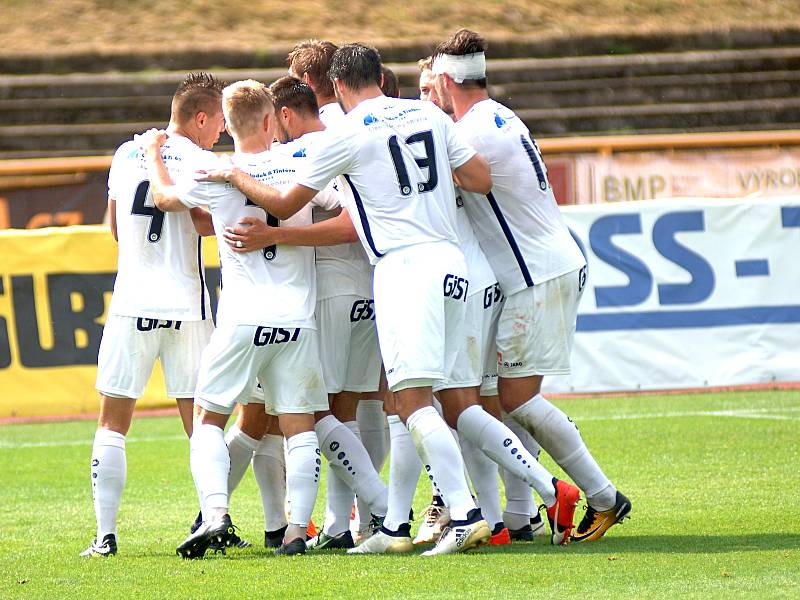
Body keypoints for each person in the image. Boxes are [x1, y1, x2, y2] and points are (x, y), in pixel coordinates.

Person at [198, 43, 498, 556]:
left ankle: (464, 512)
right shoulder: (428, 112)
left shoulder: (347, 133)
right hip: (452, 262)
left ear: (338, 87)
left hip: (405, 268)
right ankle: (397, 527)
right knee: (413, 402)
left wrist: (234, 174)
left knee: (410, 402)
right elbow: (479, 179)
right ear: (378, 77)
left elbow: (286, 202)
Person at [432, 29, 632, 542]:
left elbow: (473, 181)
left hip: (537, 274)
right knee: (506, 393)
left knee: (517, 397)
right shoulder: (497, 115)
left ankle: (604, 497)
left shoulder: (472, 133)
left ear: (449, 80)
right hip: (544, 265)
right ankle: (520, 517)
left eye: (433, 81)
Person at [144, 79, 336, 558]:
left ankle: (215, 514)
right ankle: (295, 532)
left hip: (243, 317)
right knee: (299, 426)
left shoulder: (215, 170)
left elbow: (164, 200)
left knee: (208, 418)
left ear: (226, 126)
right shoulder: (301, 163)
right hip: (297, 316)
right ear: (271, 120)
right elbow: (338, 207)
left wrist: (153, 154)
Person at [223, 75, 391, 551]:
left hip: (320, 298)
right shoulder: (339, 141)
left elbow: (350, 220)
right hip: (364, 290)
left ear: (284, 114)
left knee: (300, 416)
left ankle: (377, 507)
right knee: (343, 412)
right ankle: (342, 524)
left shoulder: (302, 153)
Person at [81, 73, 224, 558]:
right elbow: (210, 223)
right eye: (218, 122)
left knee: (112, 422)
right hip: (188, 307)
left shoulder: (126, 153)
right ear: (200, 118)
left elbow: (117, 230)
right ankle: (213, 519)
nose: (221, 132)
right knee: (200, 422)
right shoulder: (203, 160)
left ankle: (104, 536)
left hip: (131, 304)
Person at [286, 40, 391, 543]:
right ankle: (347, 524)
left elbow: (341, 211)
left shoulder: (325, 135)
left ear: (308, 84)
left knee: (321, 411)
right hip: (373, 285)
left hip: (331, 288)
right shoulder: (368, 124)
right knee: (357, 405)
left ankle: (380, 507)